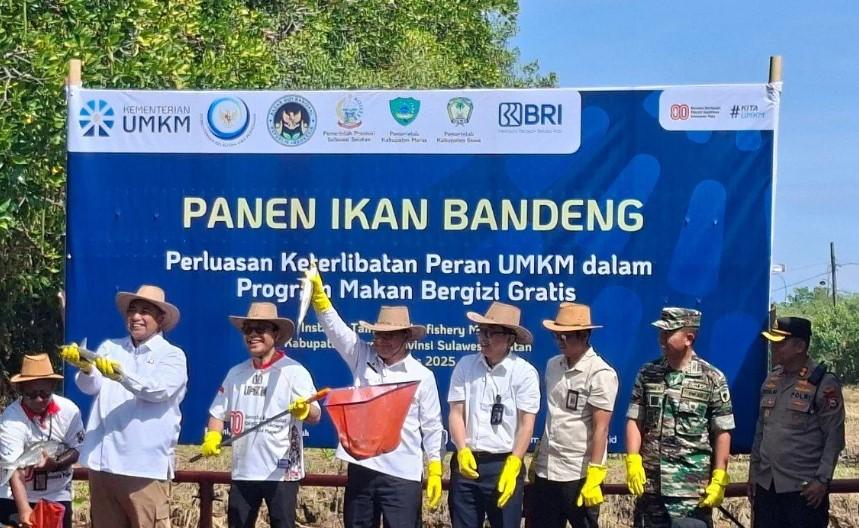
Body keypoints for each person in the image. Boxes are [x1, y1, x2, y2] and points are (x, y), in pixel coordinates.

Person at [306, 268, 444, 528]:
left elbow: (432, 426)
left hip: (402, 475)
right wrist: (320, 300)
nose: (382, 341)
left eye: (390, 335)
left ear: (406, 337)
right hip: (362, 469)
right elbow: (336, 331)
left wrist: (435, 466)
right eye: (378, 334)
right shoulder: (362, 355)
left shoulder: (422, 375)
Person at [60, 284, 188, 528]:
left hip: (144, 469)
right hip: (103, 465)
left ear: (160, 319)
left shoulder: (172, 355)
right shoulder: (111, 347)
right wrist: (86, 367)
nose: (136, 317)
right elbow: (90, 386)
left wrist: (121, 375)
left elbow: (158, 390)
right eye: (132, 311)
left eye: (145, 311)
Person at [200, 301, 321, 528]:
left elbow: (316, 415)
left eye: (260, 329)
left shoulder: (294, 371)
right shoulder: (236, 373)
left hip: (282, 474)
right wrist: (213, 436)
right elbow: (217, 413)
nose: (253, 335)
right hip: (244, 473)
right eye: (248, 330)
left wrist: (304, 410)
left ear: (275, 334)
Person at [625, 307, 734, 528]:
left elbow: (722, 430)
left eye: (668, 333)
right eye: (660, 333)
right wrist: (633, 459)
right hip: (652, 489)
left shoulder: (712, 378)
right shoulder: (648, 373)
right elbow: (635, 420)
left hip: (691, 492)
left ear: (688, 338)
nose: (661, 339)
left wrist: (719, 476)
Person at [447, 301, 540, 528]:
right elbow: (456, 413)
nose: (484, 338)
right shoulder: (465, 365)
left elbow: (527, 424)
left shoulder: (524, 373)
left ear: (510, 339)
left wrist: (515, 461)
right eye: (482, 332)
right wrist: (462, 449)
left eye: (492, 333)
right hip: (466, 462)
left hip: (503, 463)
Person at [749, 316, 845, 528]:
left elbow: (834, 437)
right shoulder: (771, 379)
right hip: (767, 486)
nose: (774, 347)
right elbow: (761, 429)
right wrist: (754, 472)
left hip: (803, 490)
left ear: (800, 346)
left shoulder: (823, 383)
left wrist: (822, 480)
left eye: (781, 342)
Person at [529, 302, 618, 528]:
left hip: (578, 472)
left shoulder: (601, 373)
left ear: (585, 335)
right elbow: (553, 415)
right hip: (547, 468)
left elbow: (601, 428)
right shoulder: (552, 366)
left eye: (567, 336)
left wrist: (596, 472)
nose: (561, 342)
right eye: (557, 336)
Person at [0, 354, 84, 528]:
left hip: (57, 494)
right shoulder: (10, 418)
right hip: (14, 495)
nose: (39, 399)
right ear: (21, 390)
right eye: (31, 394)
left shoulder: (69, 410)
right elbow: (14, 470)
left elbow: (77, 449)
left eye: (44, 393)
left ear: (53, 386)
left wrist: (56, 463)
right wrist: (24, 510)